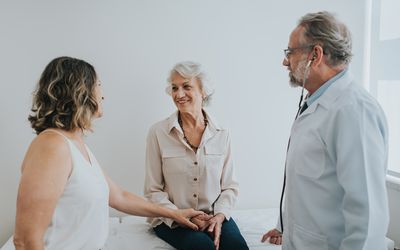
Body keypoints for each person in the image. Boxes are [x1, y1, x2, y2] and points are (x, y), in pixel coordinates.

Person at [12, 56, 204, 250]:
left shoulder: (77, 144)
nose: (103, 94)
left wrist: (174, 213)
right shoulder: (51, 146)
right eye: (99, 84)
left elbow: (119, 197)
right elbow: (25, 240)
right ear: (80, 91)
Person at [261, 11, 389, 249]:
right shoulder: (317, 103)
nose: (285, 61)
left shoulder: (354, 111)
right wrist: (283, 226)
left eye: (290, 52)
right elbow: (309, 183)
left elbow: (368, 218)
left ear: (315, 55)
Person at [144, 61, 249, 250]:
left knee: (237, 247)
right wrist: (181, 215)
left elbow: (230, 186)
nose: (179, 94)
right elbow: (153, 190)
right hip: (171, 218)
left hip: (213, 214)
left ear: (204, 91)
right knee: (202, 247)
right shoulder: (158, 132)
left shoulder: (222, 132)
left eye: (186, 87)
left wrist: (219, 216)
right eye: (174, 88)